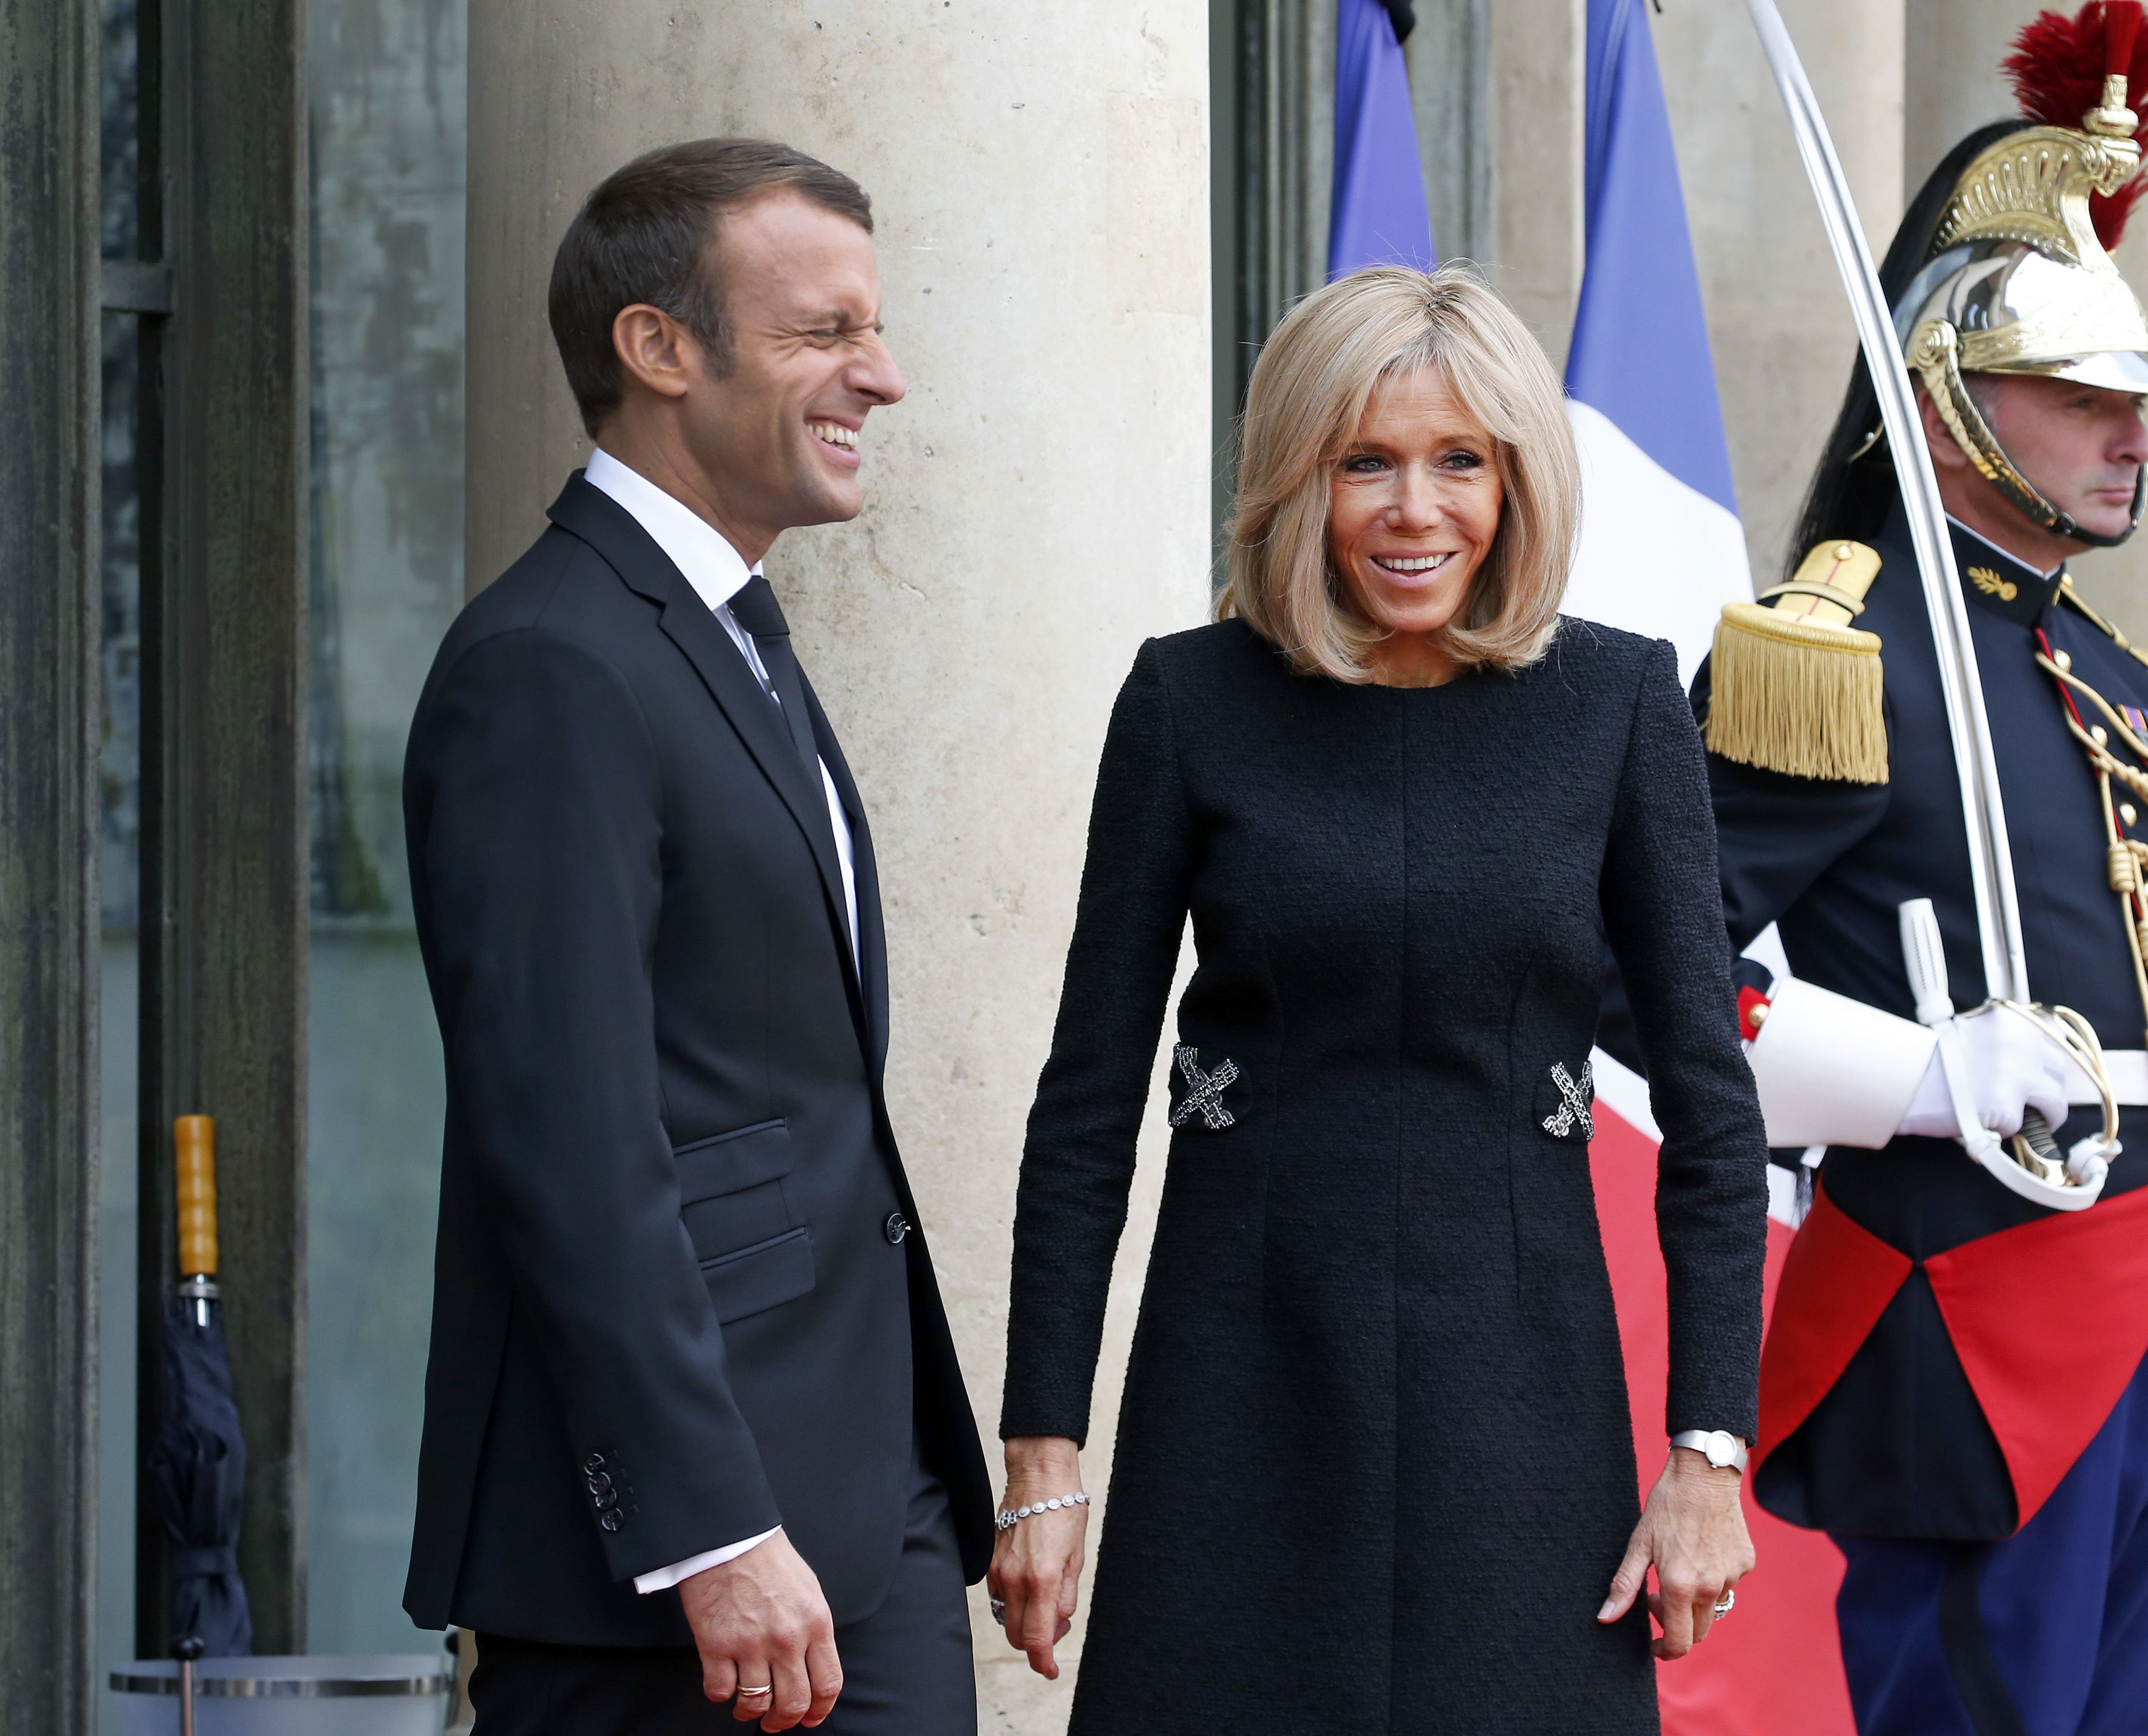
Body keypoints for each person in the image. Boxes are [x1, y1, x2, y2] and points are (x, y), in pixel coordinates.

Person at [1609, 9, 2148, 1732]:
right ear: (1947, 403)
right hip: (1971, 1304)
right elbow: (1641, 971)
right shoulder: (1840, 653)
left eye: (2134, 401)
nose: (2129, 438)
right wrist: (1913, 1075)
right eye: (2080, 398)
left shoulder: (2104, 672)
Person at [986, 264, 1771, 1734]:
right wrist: (1044, 1454)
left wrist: (1708, 1449)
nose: (1417, 510)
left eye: (1459, 459)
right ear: (1300, 477)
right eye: (1367, 462)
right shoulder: (1186, 702)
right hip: (1239, 1376)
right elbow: (1086, 1105)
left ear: (1517, 480)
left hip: (1526, 1393)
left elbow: (1713, 1117)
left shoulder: (1617, 703)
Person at [399, 139, 992, 1735]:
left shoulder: (725, 634)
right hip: (676, 1570)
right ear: (657, 347)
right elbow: (569, 1141)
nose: (882, 376)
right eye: (824, 331)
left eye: (875, 328)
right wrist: (710, 1527)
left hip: (864, 1506)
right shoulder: (550, 662)